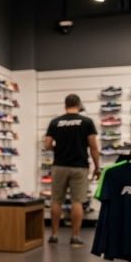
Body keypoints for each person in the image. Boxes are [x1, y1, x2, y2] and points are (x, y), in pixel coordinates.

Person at [44, 93, 100, 247]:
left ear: (65, 105)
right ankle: (75, 237)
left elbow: (47, 144)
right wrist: (97, 167)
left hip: (59, 165)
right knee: (77, 202)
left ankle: (54, 235)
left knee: (56, 200)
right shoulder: (87, 122)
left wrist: (58, 147)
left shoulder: (55, 122)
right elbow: (93, 147)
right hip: (79, 166)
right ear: (79, 104)